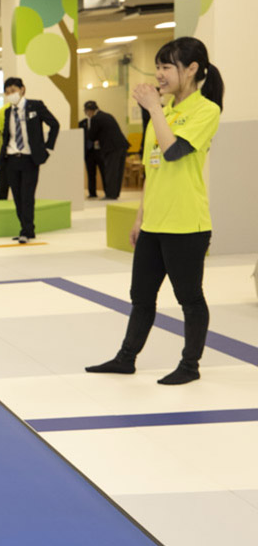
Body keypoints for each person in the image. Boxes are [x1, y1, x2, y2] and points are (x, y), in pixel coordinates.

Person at [85, 37, 223, 385]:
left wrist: (155, 109)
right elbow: (154, 168)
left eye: (167, 66)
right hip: (154, 223)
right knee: (141, 296)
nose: (159, 74)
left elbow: (174, 152)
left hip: (187, 223)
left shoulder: (206, 110)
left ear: (192, 69)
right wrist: (139, 217)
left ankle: (190, 365)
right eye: (158, 66)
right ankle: (126, 358)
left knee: (189, 297)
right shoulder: (164, 112)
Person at [0, 77, 60, 243]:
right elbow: (6, 135)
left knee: (27, 196)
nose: (11, 94)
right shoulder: (8, 112)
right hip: (11, 158)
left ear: (22, 89)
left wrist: (47, 147)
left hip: (29, 159)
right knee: (17, 196)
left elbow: (54, 124)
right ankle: (26, 229)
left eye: (14, 90)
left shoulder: (35, 106)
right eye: (8, 92)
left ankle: (27, 229)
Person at [83, 101, 129, 200]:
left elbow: (91, 136)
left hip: (111, 148)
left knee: (110, 171)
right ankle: (115, 193)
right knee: (118, 172)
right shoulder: (107, 115)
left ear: (88, 111)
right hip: (121, 145)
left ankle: (110, 195)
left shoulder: (95, 119)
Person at [78, 109, 100, 199]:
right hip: (88, 152)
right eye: (87, 111)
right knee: (91, 173)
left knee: (103, 171)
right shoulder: (82, 123)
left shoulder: (99, 121)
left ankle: (107, 191)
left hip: (98, 151)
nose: (89, 113)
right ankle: (92, 192)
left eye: (91, 110)